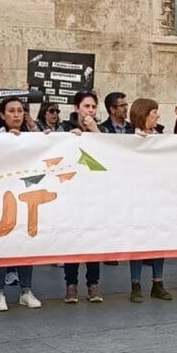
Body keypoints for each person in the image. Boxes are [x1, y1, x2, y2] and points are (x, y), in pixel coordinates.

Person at [0, 95, 42, 311]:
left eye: (20, 110)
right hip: (0, 198)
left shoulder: (34, 138)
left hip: (26, 199)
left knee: (26, 244)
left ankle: (25, 291)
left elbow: (53, 146)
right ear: (2, 114)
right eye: (11, 111)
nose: (16, 114)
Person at [127, 99, 172, 302]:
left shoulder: (160, 138)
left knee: (159, 238)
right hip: (137, 197)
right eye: (154, 112)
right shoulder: (128, 138)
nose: (157, 116)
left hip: (159, 196)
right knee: (137, 241)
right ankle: (135, 284)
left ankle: (158, 282)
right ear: (143, 114)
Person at [62, 89, 103, 302]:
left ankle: (93, 285)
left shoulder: (101, 130)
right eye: (86, 106)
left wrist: (94, 130)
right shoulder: (64, 128)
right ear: (77, 108)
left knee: (92, 240)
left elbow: (110, 152)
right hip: (71, 193)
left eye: (93, 107)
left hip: (94, 194)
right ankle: (71, 285)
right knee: (73, 240)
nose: (90, 110)